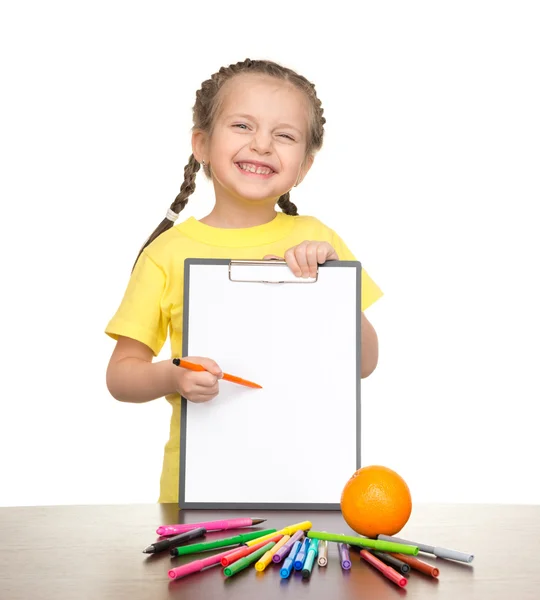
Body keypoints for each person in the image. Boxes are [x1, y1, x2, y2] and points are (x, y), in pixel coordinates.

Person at [105, 58, 383, 503]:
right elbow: (120, 377)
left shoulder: (319, 240)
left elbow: (364, 363)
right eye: (242, 125)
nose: (262, 145)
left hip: (312, 487)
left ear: (305, 166)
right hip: (197, 493)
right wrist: (174, 376)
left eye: (285, 135)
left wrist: (331, 289)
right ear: (201, 143)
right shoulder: (167, 253)